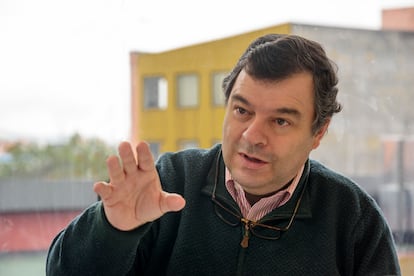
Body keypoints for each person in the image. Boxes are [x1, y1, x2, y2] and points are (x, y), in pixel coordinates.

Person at [46, 34, 401, 275]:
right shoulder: (167, 183)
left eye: (279, 121)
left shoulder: (354, 221)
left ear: (318, 132)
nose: (251, 136)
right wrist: (113, 229)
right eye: (242, 111)